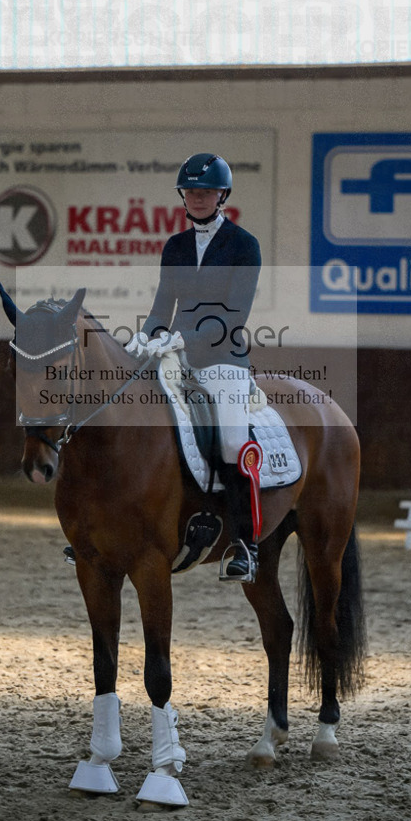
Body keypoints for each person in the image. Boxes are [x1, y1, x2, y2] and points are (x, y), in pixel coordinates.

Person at [125, 152, 262, 581]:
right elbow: (163, 305)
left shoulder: (244, 245)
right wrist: (144, 337)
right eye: (190, 192)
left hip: (224, 359)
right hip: (174, 355)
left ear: (222, 195)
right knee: (127, 413)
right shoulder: (176, 246)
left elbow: (235, 314)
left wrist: (187, 338)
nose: (197, 198)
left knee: (231, 442)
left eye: (205, 192)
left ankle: (245, 544)